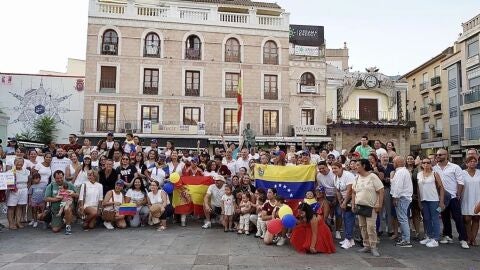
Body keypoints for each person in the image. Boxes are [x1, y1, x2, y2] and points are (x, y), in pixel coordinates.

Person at [433, 149, 469, 249]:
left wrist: (458, 194)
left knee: (458, 218)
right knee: (445, 218)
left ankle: (463, 239)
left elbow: (460, 182)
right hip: (442, 197)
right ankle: (448, 236)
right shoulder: (434, 168)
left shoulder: (455, 167)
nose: (438, 156)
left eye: (440, 154)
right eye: (437, 155)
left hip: (453, 197)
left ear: (446, 155)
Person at [352, 159, 384, 257]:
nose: (355, 167)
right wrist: (353, 204)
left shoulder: (373, 176)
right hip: (360, 206)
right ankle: (366, 245)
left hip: (371, 207)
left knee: (371, 227)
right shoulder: (357, 177)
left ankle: (373, 247)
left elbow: (381, 190)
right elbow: (353, 192)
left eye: (357, 165)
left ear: (364, 166)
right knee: (363, 227)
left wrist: (379, 204)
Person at [417, 158, 445, 248]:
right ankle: (429, 236)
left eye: (428, 162)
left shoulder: (435, 174)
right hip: (424, 200)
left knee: (435, 219)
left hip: (434, 200)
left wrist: (441, 202)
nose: (426, 164)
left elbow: (441, 188)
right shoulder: (419, 174)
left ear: (431, 164)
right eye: (424, 162)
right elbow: (418, 189)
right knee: (427, 219)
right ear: (421, 164)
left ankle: (436, 239)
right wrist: (419, 201)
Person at [44, 170, 77, 234]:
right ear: (54, 178)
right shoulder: (51, 186)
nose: (59, 180)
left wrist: (72, 194)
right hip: (56, 210)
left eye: (61, 178)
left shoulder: (69, 184)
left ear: (63, 177)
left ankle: (68, 227)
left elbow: (77, 195)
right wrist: (57, 199)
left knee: (67, 209)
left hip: (68, 205)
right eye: (57, 178)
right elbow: (46, 198)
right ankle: (63, 221)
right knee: (55, 230)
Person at [390, 156, 413, 247]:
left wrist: (395, 197)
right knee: (403, 218)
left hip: (401, 198)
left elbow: (398, 187)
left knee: (402, 219)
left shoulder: (400, 172)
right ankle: (405, 238)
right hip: (403, 197)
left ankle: (406, 240)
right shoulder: (404, 171)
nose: (393, 164)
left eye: (393, 162)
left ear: (397, 163)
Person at [332, 162, 356, 249]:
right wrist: (340, 202)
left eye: (335, 168)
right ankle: (351, 239)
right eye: (333, 169)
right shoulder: (335, 177)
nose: (334, 170)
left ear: (341, 168)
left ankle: (348, 239)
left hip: (352, 199)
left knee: (348, 219)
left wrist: (345, 203)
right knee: (345, 219)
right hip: (343, 199)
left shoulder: (348, 175)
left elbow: (350, 191)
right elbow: (337, 191)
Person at [461, 156, 480, 246]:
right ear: (466, 163)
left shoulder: (479, 173)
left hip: (478, 198)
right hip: (466, 198)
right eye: (470, 161)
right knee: (467, 219)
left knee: (476, 218)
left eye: (474, 161)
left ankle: (473, 239)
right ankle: (469, 237)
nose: (472, 163)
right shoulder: (462, 173)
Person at [7, 158, 30, 230]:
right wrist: (12, 187)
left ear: (23, 163)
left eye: (21, 162)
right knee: (11, 207)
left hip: (24, 190)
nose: (19, 163)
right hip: (14, 191)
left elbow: (29, 181)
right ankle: (11, 223)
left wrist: (28, 190)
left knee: (20, 206)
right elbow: (7, 183)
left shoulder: (27, 171)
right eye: (17, 162)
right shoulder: (10, 172)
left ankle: (18, 222)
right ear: (14, 163)